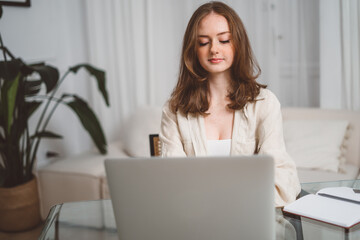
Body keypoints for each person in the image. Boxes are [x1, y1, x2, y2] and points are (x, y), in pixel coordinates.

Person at [159, 1, 301, 207]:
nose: (214, 49)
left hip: (249, 218)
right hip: (194, 222)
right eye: (203, 42)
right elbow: (171, 182)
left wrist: (231, 202)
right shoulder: (174, 109)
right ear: (193, 50)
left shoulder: (265, 103)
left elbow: (283, 179)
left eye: (224, 40)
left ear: (238, 44)